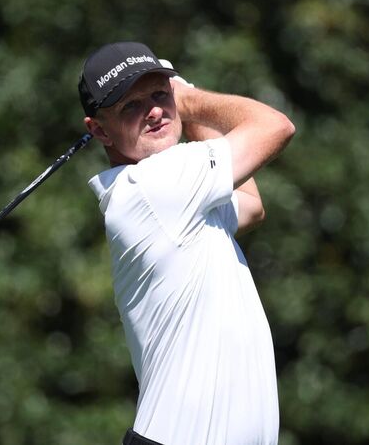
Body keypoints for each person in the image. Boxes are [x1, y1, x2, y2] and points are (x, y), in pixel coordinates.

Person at [78, 42, 295, 445]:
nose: (154, 111)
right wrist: (186, 98)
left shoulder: (180, 199)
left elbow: (250, 206)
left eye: (159, 95)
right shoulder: (153, 183)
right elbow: (275, 126)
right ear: (100, 130)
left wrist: (182, 106)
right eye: (131, 105)